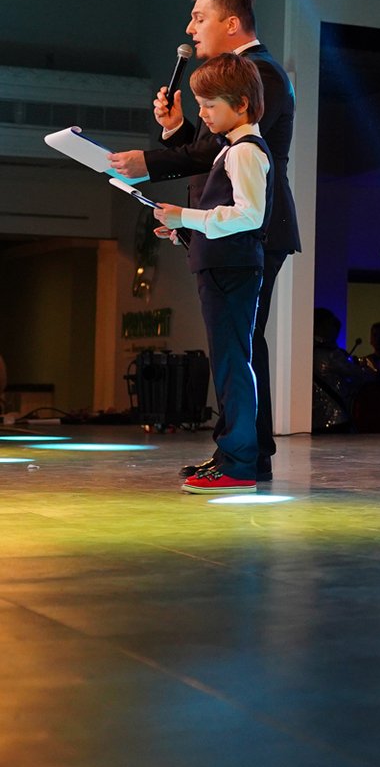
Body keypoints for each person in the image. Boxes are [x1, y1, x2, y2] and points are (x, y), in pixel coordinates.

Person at [108, 0, 301, 482]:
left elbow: (222, 153)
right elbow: (212, 150)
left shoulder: (258, 72)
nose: (190, 29)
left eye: (199, 18)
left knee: (239, 351)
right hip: (226, 235)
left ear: (231, 23)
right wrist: (176, 130)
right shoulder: (239, 80)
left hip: (250, 237)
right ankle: (242, 454)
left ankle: (244, 457)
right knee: (236, 350)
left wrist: (150, 163)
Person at [150, 55, 270, 495]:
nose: (201, 114)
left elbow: (249, 215)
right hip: (223, 265)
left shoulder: (245, 151)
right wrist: (184, 229)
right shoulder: (232, 149)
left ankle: (238, 464)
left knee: (233, 365)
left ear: (241, 103)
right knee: (228, 364)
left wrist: (186, 216)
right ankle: (228, 457)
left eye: (208, 105)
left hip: (231, 268)